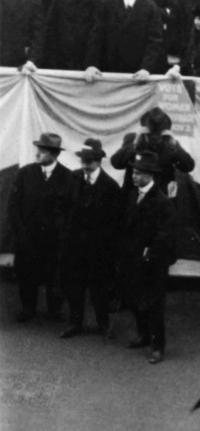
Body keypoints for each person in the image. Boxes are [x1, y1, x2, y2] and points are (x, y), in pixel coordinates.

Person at [117, 151, 177, 364]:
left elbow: (164, 235)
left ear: (150, 175)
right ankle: (142, 334)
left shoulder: (162, 202)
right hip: (132, 259)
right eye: (133, 172)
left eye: (139, 173)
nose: (134, 176)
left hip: (152, 263)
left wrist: (148, 254)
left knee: (154, 306)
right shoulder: (132, 195)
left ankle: (157, 346)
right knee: (134, 300)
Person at [7, 131, 73, 324]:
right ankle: (28, 308)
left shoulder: (68, 177)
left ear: (54, 154)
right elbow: (13, 205)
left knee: (54, 275)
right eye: (38, 149)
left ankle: (54, 310)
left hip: (54, 239)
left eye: (42, 151)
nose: (37, 154)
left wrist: (63, 234)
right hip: (28, 237)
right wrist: (20, 233)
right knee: (27, 274)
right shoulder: (25, 173)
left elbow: (71, 210)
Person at [60, 137, 122, 339]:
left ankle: (103, 324)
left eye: (90, 160)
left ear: (99, 161)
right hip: (75, 245)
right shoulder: (74, 178)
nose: (85, 164)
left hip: (98, 248)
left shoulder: (110, 186)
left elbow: (115, 223)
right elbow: (65, 209)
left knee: (99, 287)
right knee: (75, 286)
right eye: (83, 160)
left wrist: (109, 250)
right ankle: (75, 322)